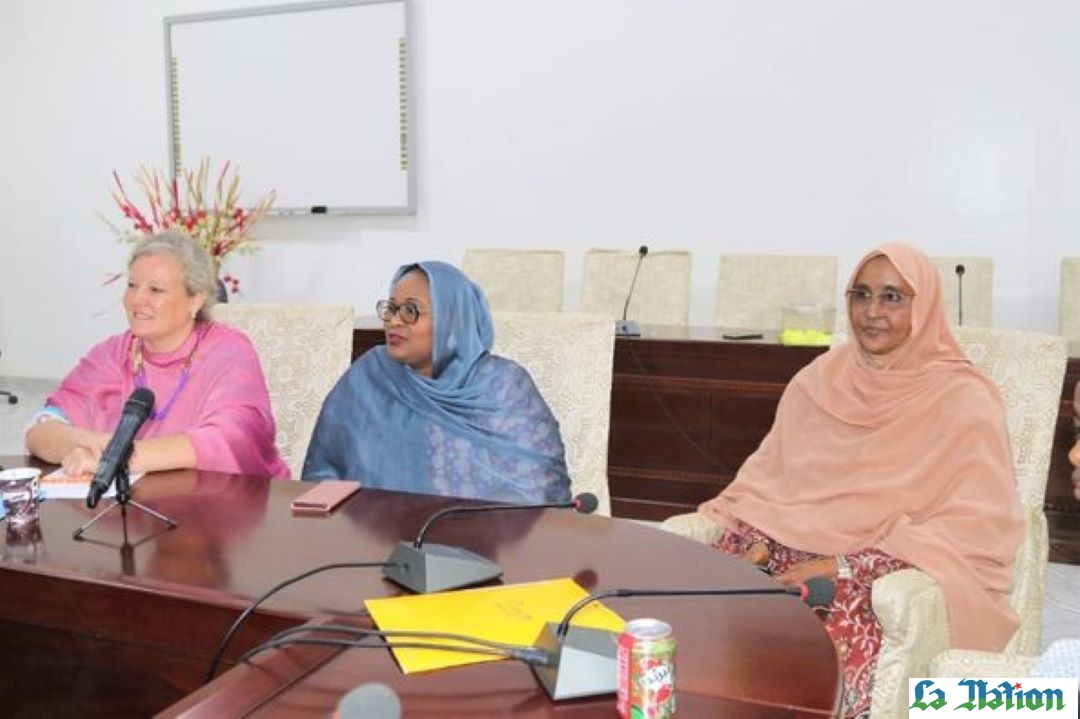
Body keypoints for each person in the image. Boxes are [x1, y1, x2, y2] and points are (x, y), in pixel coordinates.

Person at [698, 243, 1022, 717]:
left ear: (924, 305)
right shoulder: (818, 379)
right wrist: (752, 544)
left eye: (892, 297)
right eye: (860, 295)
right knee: (691, 615)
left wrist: (841, 566)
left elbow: (973, 528)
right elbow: (770, 482)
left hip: (878, 569)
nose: (872, 312)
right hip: (784, 550)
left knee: (823, 647)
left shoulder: (963, 400)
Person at [26, 231, 288, 479]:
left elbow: (233, 439)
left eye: (156, 290)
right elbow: (40, 429)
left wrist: (120, 456)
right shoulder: (112, 354)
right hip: (133, 511)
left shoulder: (228, 351)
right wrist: (86, 442)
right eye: (132, 285)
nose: (137, 300)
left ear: (195, 300)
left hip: (228, 511)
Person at [302, 261, 571, 503]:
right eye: (392, 308)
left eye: (411, 311)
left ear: (452, 319)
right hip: (371, 543)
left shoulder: (504, 386)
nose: (394, 321)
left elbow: (539, 489)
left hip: (484, 550)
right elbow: (324, 474)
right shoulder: (370, 375)